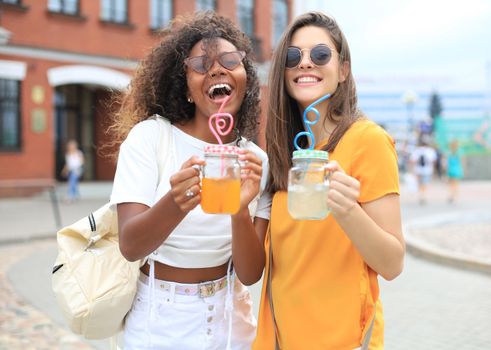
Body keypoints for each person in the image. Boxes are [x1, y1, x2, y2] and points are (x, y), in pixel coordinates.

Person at [108, 12, 269, 349]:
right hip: (161, 316)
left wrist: (240, 211)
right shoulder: (150, 137)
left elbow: (250, 274)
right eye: (201, 64)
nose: (217, 69)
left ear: (246, 78)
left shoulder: (255, 160)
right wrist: (176, 202)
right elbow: (131, 245)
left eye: (229, 60)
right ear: (186, 90)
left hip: (231, 318)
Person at [252, 12, 405, 350]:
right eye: (293, 57)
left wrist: (348, 210)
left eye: (320, 54)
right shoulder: (283, 153)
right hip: (278, 340)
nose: (305, 63)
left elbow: (392, 264)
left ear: (343, 70)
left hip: (343, 341)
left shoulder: (368, 140)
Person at [410, 134, 438, 205]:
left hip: (418, 170)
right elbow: (433, 161)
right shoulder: (430, 151)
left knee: (420, 184)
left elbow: (413, 161)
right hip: (427, 170)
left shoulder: (416, 151)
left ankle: (421, 196)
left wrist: (412, 170)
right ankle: (423, 196)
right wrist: (434, 170)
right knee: (425, 184)